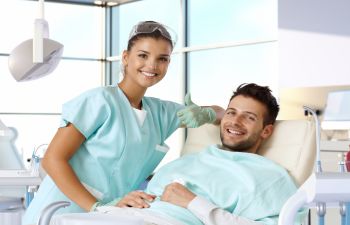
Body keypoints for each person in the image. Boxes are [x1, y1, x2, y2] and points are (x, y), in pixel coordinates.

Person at [22, 21, 224, 225]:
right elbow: (53, 159)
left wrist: (205, 113)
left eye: (162, 59)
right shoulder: (99, 101)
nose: (152, 65)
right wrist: (96, 208)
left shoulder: (161, 112)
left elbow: (222, 113)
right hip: (60, 210)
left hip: (111, 216)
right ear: (126, 57)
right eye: (143, 55)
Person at [83, 83, 301, 225]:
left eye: (249, 117)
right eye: (232, 113)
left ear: (266, 130)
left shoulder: (270, 177)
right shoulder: (189, 161)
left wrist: (193, 202)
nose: (235, 121)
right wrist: (123, 202)